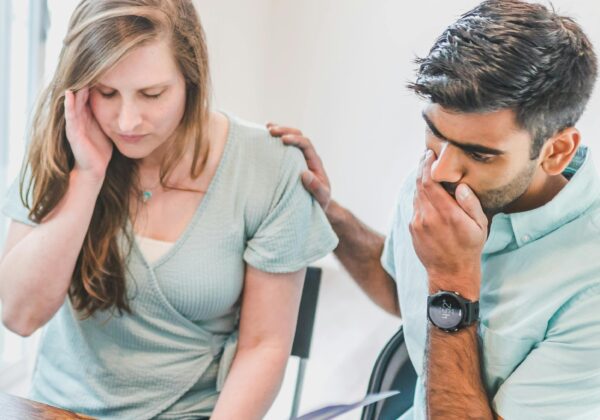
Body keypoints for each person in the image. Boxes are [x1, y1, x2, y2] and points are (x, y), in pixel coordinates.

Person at [0, 1, 337, 419]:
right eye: (107, 93)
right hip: (59, 410)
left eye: (152, 94)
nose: (127, 121)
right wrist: (86, 177)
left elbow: (263, 345)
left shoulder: (269, 168)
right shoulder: (62, 147)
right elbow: (18, 314)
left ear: (190, 80)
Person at [269, 0, 600, 419]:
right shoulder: (445, 173)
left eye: (479, 155)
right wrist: (329, 214)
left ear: (555, 151)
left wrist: (452, 280)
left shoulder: (591, 289)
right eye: (435, 132)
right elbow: (399, 289)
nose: (441, 169)